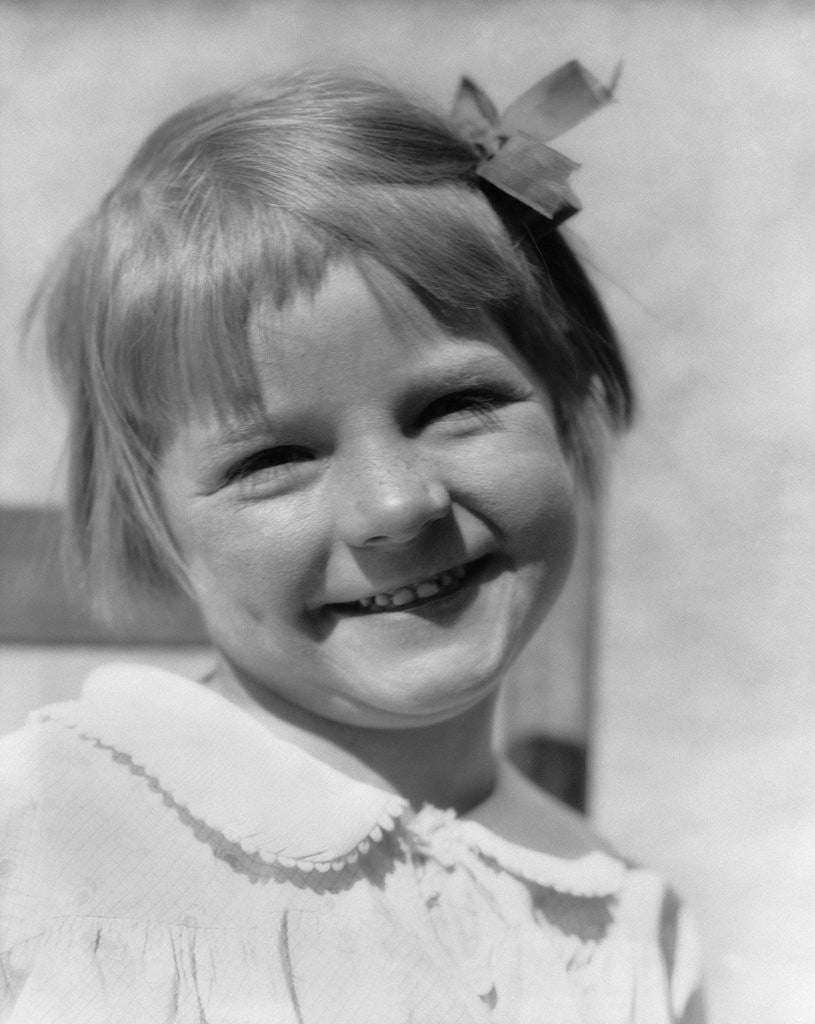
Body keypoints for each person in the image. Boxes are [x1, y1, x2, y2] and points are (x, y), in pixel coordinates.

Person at [0, 65, 705, 1023]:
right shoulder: (42, 836)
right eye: (274, 458)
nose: (394, 505)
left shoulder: (625, 924)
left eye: (455, 406)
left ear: (568, 405)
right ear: (149, 523)